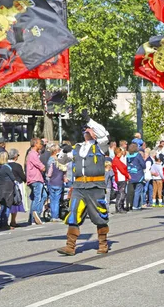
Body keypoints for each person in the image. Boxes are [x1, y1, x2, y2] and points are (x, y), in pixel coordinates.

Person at [57, 109, 110, 256]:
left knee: (100, 216)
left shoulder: (101, 145)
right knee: (73, 214)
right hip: (79, 186)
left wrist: (89, 120)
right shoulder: (77, 147)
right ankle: (70, 246)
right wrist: (63, 150)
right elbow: (61, 160)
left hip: (95, 186)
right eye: (85, 130)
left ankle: (103, 243)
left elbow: (103, 134)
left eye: (88, 130)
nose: (86, 131)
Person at [26, 138, 46, 225]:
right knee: (37, 197)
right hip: (35, 178)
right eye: (39, 143)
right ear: (35, 144)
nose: (41, 145)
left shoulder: (36, 154)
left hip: (38, 178)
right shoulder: (32, 154)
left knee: (43, 195)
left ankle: (33, 216)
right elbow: (40, 165)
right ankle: (35, 216)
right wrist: (44, 167)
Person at [46, 143, 66, 222]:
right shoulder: (60, 162)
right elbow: (64, 172)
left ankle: (53, 216)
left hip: (52, 182)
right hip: (59, 182)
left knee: (52, 199)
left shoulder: (51, 161)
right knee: (57, 200)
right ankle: (55, 216)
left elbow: (49, 174)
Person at [126, 143, 146, 211]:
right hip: (138, 175)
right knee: (138, 190)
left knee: (131, 191)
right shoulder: (138, 155)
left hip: (131, 175)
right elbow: (143, 165)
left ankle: (131, 204)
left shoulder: (128, 156)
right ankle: (135, 205)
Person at [111, 147, 129, 213]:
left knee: (122, 193)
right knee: (121, 193)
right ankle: (119, 207)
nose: (121, 154)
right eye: (120, 153)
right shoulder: (116, 160)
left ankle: (120, 206)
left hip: (121, 178)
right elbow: (121, 170)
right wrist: (127, 175)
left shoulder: (117, 160)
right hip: (121, 178)